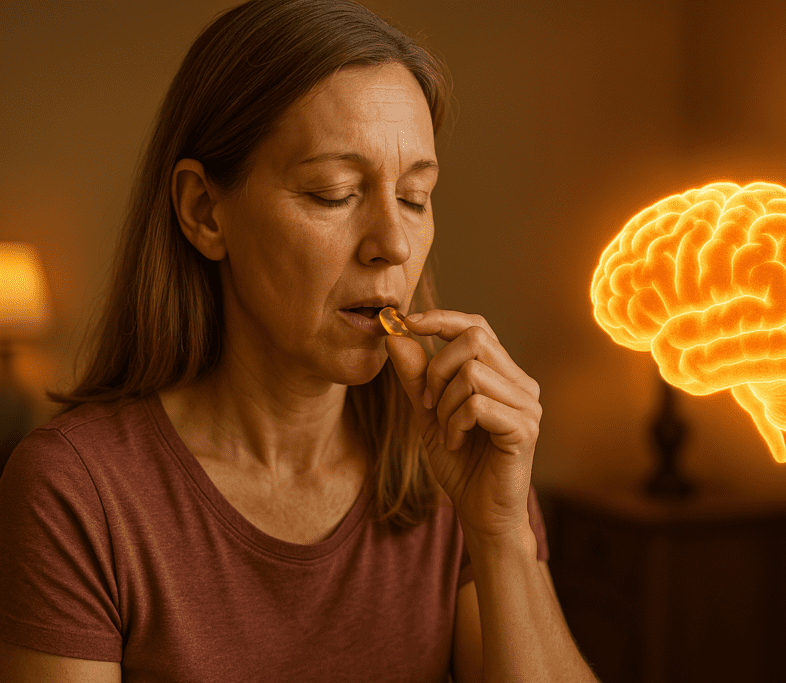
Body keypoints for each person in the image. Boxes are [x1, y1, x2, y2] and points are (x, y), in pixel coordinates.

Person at [0, 1, 599, 681]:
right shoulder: (77, 489)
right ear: (204, 212)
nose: (393, 245)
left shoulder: (459, 460)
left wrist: (503, 538)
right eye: (333, 193)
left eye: (414, 196)